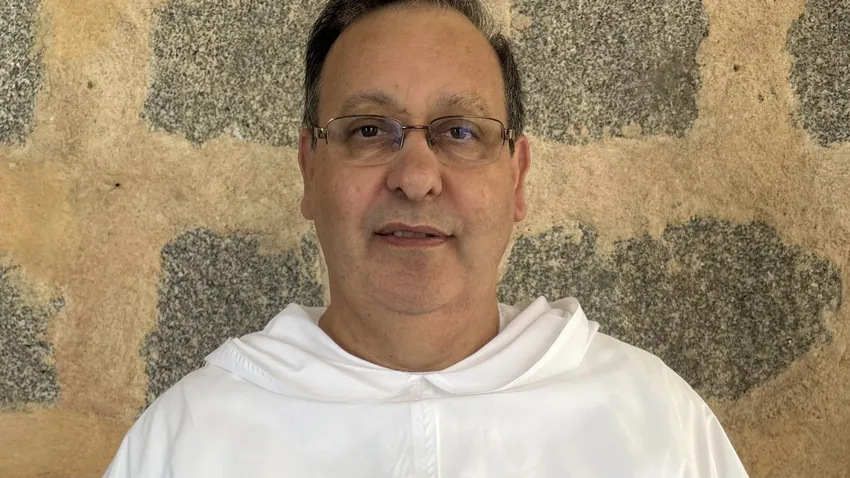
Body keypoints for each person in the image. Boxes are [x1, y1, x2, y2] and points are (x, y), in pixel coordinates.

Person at [104, 1, 750, 476]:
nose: (415, 179)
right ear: (309, 170)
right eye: (367, 130)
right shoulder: (190, 441)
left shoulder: (651, 423)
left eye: (460, 132)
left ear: (516, 178)